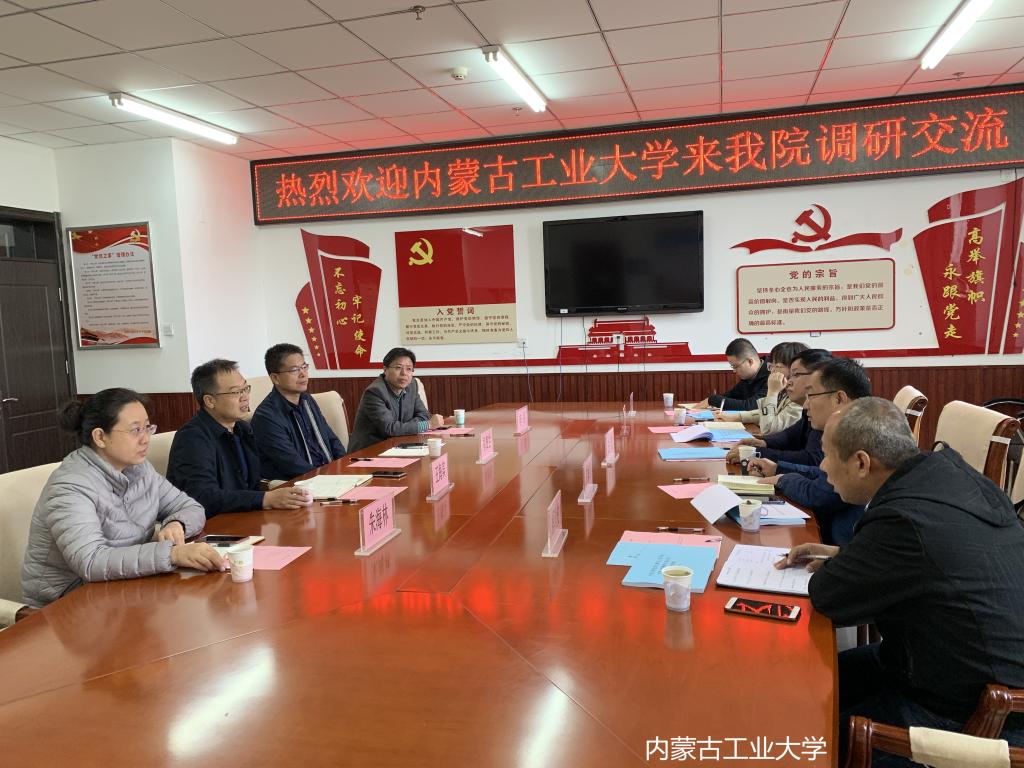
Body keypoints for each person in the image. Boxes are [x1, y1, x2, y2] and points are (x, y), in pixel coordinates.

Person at [778, 398, 1024, 763]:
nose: (823, 468)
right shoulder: (945, 472)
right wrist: (850, 555)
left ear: (862, 463)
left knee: (802, 741)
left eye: (827, 456)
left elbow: (828, 596)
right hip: (937, 661)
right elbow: (931, 559)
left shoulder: (902, 520)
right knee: (800, 683)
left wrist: (856, 558)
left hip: (973, 709)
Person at [20, 389, 225, 608]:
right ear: (100, 437)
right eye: (135, 430)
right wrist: (172, 554)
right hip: (65, 603)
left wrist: (177, 523)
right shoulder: (70, 486)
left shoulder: (140, 470)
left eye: (147, 427)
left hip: (122, 585)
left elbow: (191, 507)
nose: (146, 439)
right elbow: (91, 561)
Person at [167, 359, 312, 517]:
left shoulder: (242, 429)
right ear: (210, 401)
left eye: (245, 389)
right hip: (211, 524)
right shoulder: (192, 439)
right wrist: (265, 499)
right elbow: (203, 497)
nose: (245, 397)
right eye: (236, 392)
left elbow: (252, 483)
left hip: (245, 516)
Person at [748, 357, 870, 545]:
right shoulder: (854, 424)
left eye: (811, 396)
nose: (805, 405)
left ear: (839, 398)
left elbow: (820, 495)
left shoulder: (856, 435)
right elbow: (822, 474)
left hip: (839, 545)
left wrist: (782, 478)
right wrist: (778, 469)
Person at [250, 343, 346, 480]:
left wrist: (344, 466)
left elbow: (331, 438)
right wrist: (329, 478)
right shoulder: (266, 417)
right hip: (300, 484)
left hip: (329, 476)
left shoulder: (307, 400)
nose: (303, 374)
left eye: (304, 367)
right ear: (275, 378)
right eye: (294, 370)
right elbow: (292, 465)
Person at [726, 348, 832, 465]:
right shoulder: (804, 405)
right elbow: (789, 435)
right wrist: (763, 443)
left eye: (795, 374)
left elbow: (811, 460)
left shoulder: (824, 412)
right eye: (771, 366)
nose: (789, 381)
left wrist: (772, 392)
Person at [347, 347, 445, 454]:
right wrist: (427, 425)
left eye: (409, 369)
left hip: (399, 447)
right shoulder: (375, 392)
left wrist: (401, 429)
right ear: (385, 370)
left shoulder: (412, 385)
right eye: (398, 367)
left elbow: (424, 415)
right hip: (369, 452)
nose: (404, 373)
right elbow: (389, 429)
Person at [716, 341, 806, 435]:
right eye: (771, 366)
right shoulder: (785, 392)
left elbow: (769, 429)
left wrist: (772, 393)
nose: (772, 371)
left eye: (778, 366)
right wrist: (736, 417)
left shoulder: (800, 399)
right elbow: (767, 413)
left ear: (795, 370)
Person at [698, 338, 769, 411]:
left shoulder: (772, 374)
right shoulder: (748, 376)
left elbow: (751, 406)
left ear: (750, 362)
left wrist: (714, 400)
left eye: (736, 366)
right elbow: (732, 395)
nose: (734, 371)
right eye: (732, 366)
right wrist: (711, 400)